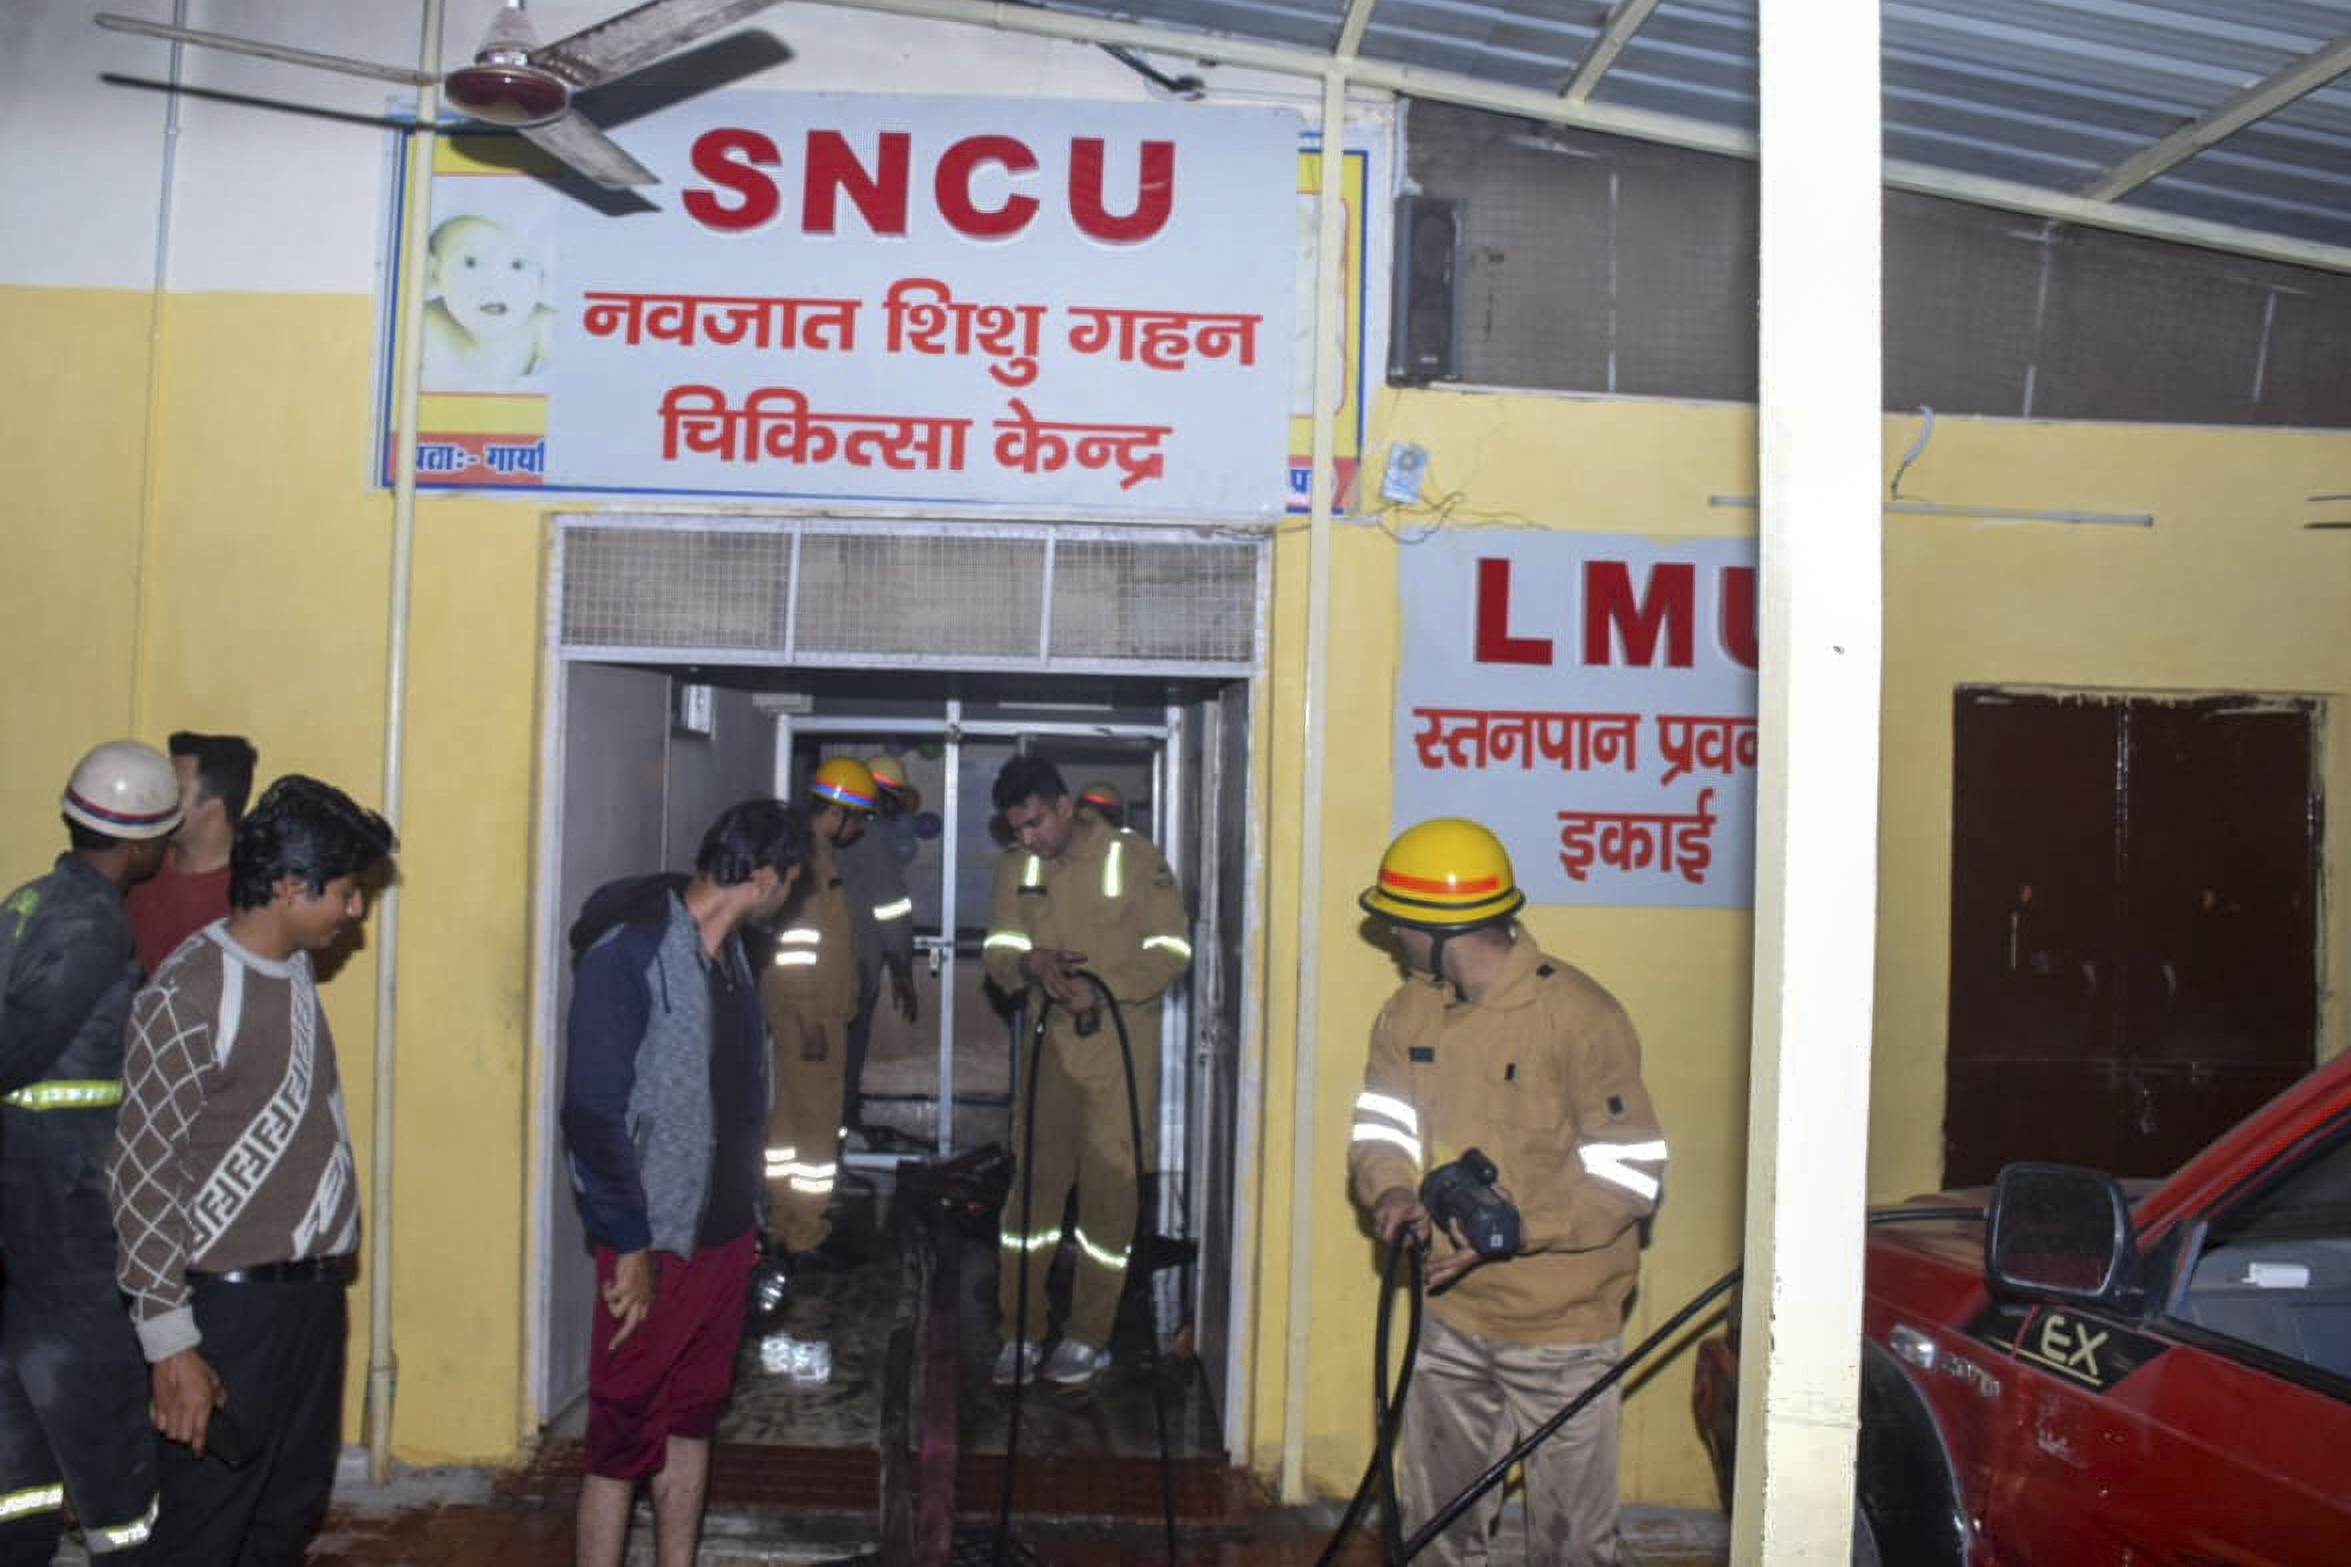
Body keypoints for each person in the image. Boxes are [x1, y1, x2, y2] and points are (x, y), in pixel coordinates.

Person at [1345, 819, 1668, 1567]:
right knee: (1432, 1536)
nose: (1390, 930)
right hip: (1450, 1320)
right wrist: (1389, 1191)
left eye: (1398, 917)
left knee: (1569, 1546)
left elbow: (1632, 1174)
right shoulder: (1410, 1011)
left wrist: (1519, 1229)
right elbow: (1379, 1124)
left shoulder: (1581, 1017)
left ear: (1437, 925)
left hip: (1563, 1330)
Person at [109, 774, 398, 1564]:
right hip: (228, 1316)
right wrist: (171, 1345)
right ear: (288, 885)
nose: (355, 911)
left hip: (309, 1303)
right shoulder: (191, 989)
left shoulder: (294, 967)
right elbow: (140, 1175)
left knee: (285, 1515)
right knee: (205, 1528)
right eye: (344, 891)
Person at [560, 797, 806, 1567]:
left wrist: (754, 1221)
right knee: (619, 1435)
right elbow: (592, 1113)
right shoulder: (628, 954)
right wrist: (626, 1241)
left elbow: (733, 1103)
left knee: (692, 1418)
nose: (789, 898)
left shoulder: (730, 957)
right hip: (652, 1244)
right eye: (789, 883)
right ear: (762, 875)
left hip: (725, 1240)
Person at [0, 741, 182, 1566]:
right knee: (102, 1408)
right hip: (67, 1209)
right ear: (141, 843)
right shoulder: (90, 928)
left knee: (20, 1410)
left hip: (27, 1204)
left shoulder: (31, 902)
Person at [982, 755, 1191, 1388]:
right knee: (1033, 1196)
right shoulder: (1018, 868)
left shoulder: (1134, 859)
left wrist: (1103, 988)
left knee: (1108, 1202)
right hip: (1050, 1051)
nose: (1029, 838)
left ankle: (1088, 1336)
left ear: (1065, 806)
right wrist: (1030, 963)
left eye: (1037, 823)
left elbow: (1173, 950)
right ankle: (1020, 1331)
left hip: (1118, 1053)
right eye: (1017, 829)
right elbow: (998, 950)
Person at [759, 759, 877, 1265]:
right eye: (859, 817)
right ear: (840, 811)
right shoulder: (812, 861)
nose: (862, 828)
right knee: (816, 1127)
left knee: (787, 1125)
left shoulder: (811, 854)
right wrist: (810, 1019)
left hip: (800, 1013)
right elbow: (797, 947)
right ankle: (807, 1232)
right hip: (811, 1017)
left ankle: (785, 1222)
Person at [835, 756, 919, 1139]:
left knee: (824, 1064)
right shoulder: (875, 835)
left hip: (824, 966)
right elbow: (892, 911)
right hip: (858, 965)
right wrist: (903, 971)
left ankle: (835, 1135)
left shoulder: (831, 831)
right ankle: (842, 1133)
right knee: (846, 1059)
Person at [128, 730, 258, 975]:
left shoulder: (249, 900)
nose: (158, 798)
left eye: (174, 790)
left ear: (212, 809)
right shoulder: (136, 861)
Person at [420, 213, 555, 391]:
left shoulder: (543, 324)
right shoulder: (427, 323)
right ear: (434, 274)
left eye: (517, 265)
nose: (495, 284)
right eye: (471, 263)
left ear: (541, 277)